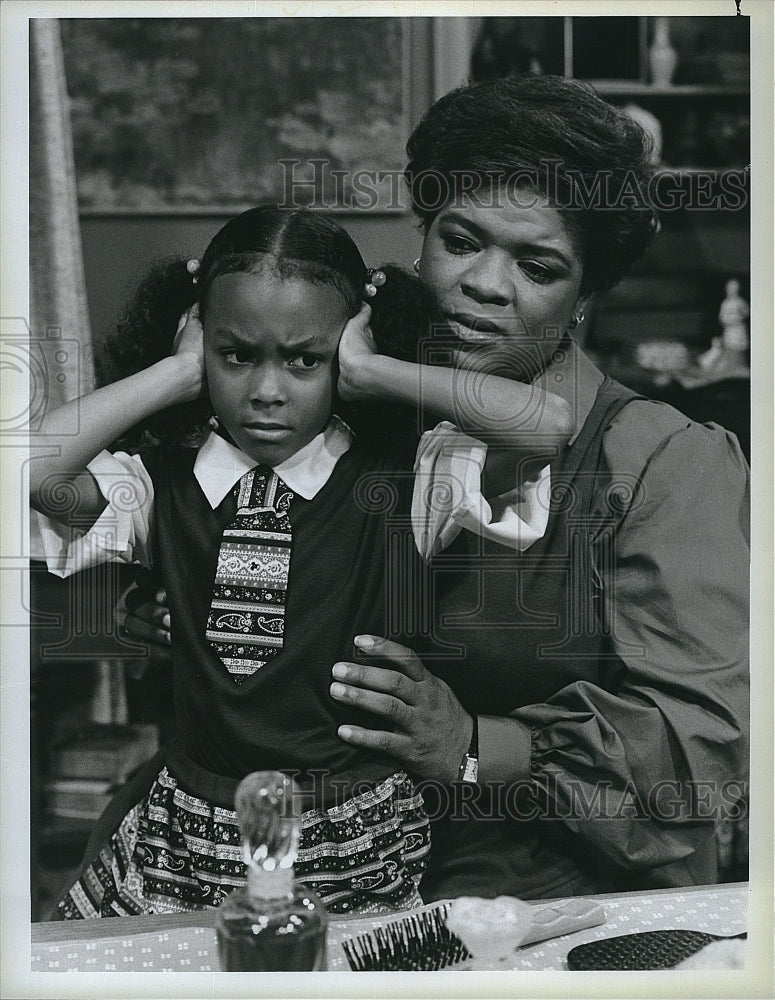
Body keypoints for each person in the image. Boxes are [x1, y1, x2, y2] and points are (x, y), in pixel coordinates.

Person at [128, 74, 749, 902]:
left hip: (556, 878)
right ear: (422, 238)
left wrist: (471, 742)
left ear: (586, 295)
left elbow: (700, 745)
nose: (484, 284)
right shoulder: (334, 410)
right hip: (330, 853)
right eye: (460, 240)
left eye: (535, 264)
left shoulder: (665, 462)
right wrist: (173, 601)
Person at [31, 205, 572, 919]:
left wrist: (373, 369)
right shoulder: (157, 482)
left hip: (354, 829)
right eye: (235, 354)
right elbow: (32, 471)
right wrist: (174, 372)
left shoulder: (410, 482)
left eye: (305, 359)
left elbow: (547, 425)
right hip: (186, 827)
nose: (266, 390)